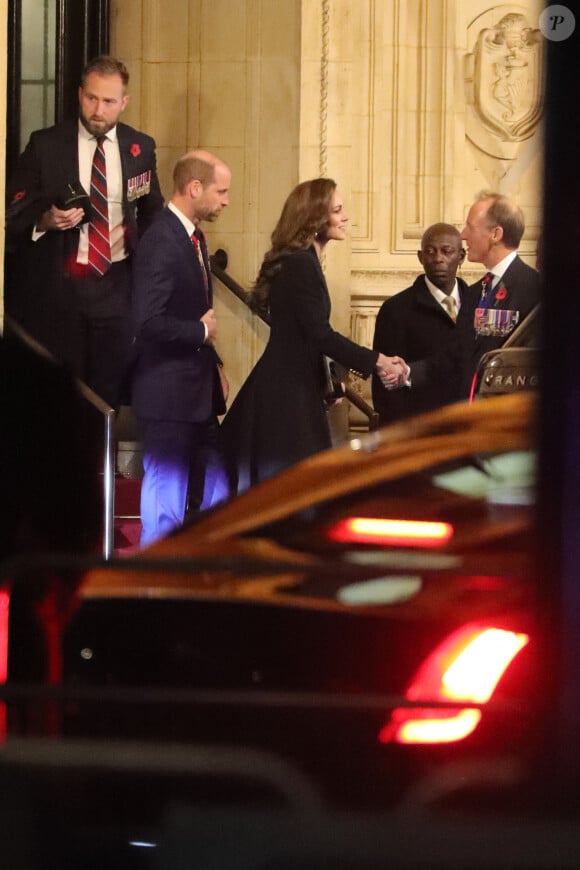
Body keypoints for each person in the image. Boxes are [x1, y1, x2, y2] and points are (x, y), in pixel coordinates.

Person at [220, 177, 406, 495]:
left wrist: (329, 380)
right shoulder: (300, 265)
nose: (345, 216)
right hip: (286, 394)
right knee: (292, 490)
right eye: (337, 210)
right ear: (315, 218)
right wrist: (377, 361)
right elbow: (320, 334)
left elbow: (307, 336)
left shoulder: (304, 262)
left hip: (294, 386)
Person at [5, 55, 164, 408]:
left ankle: (101, 463)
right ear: (80, 94)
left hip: (118, 285)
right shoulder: (46, 144)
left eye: (108, 102)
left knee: (108, 391)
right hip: (64, 287)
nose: (98, 110)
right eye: (91, 98)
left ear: (124, 102)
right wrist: (44, 220)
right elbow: (12, 209)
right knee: (61, 394)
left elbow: (153, 212)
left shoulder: (140, 148)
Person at [131, 149, 231, 547]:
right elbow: (147, 321)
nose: (225, 200)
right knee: (165, 495)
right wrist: (200, 333)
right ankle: (154, 577)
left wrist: (214, 362)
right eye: (220, 191)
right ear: (194, 188)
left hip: (196, 390)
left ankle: (203, 561)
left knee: (219, 477)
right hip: (167, 391)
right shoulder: (161, 239)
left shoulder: (193, 236)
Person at [408, 192, 541, 400]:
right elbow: (454, 356)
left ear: (495, 234)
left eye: (470, 227)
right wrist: (406, 372)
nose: (462, 235)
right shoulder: (474, 292)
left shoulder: (535, 290)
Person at [371, 223, 468, 424]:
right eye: (430, 252)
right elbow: (386, 387)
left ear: (461, 257)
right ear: (420, 257)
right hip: (422, 431)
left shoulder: (478, 303)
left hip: (471, 428)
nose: (438, 259)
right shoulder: (396, 309)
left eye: (447, 251)